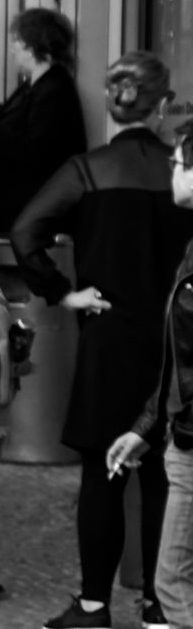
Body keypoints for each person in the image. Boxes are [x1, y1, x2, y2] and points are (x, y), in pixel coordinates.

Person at [15, 52, 189, 629]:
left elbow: (26, 232)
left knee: (103, 473)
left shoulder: (87, 169)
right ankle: (160, 604)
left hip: (109, 334)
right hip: (175, 342)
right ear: (162, 107)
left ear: (113, 108)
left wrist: (64, 293)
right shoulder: (180, 171)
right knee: (169, 473)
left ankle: (93, 604)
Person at [130, 127, 193, 629]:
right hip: (180, 436)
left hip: (190, 443)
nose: (171, 169)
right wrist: (147, 426)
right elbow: (179, 358)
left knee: (173, 581)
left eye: (178, 162)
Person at [0, 8, 87, 229]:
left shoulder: (55, 90)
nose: (12, 49)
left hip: (28, 211)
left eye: (16, 41)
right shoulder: (40, 85)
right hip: (21, 209)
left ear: (32, 46)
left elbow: (37, 151)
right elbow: (19, 118)